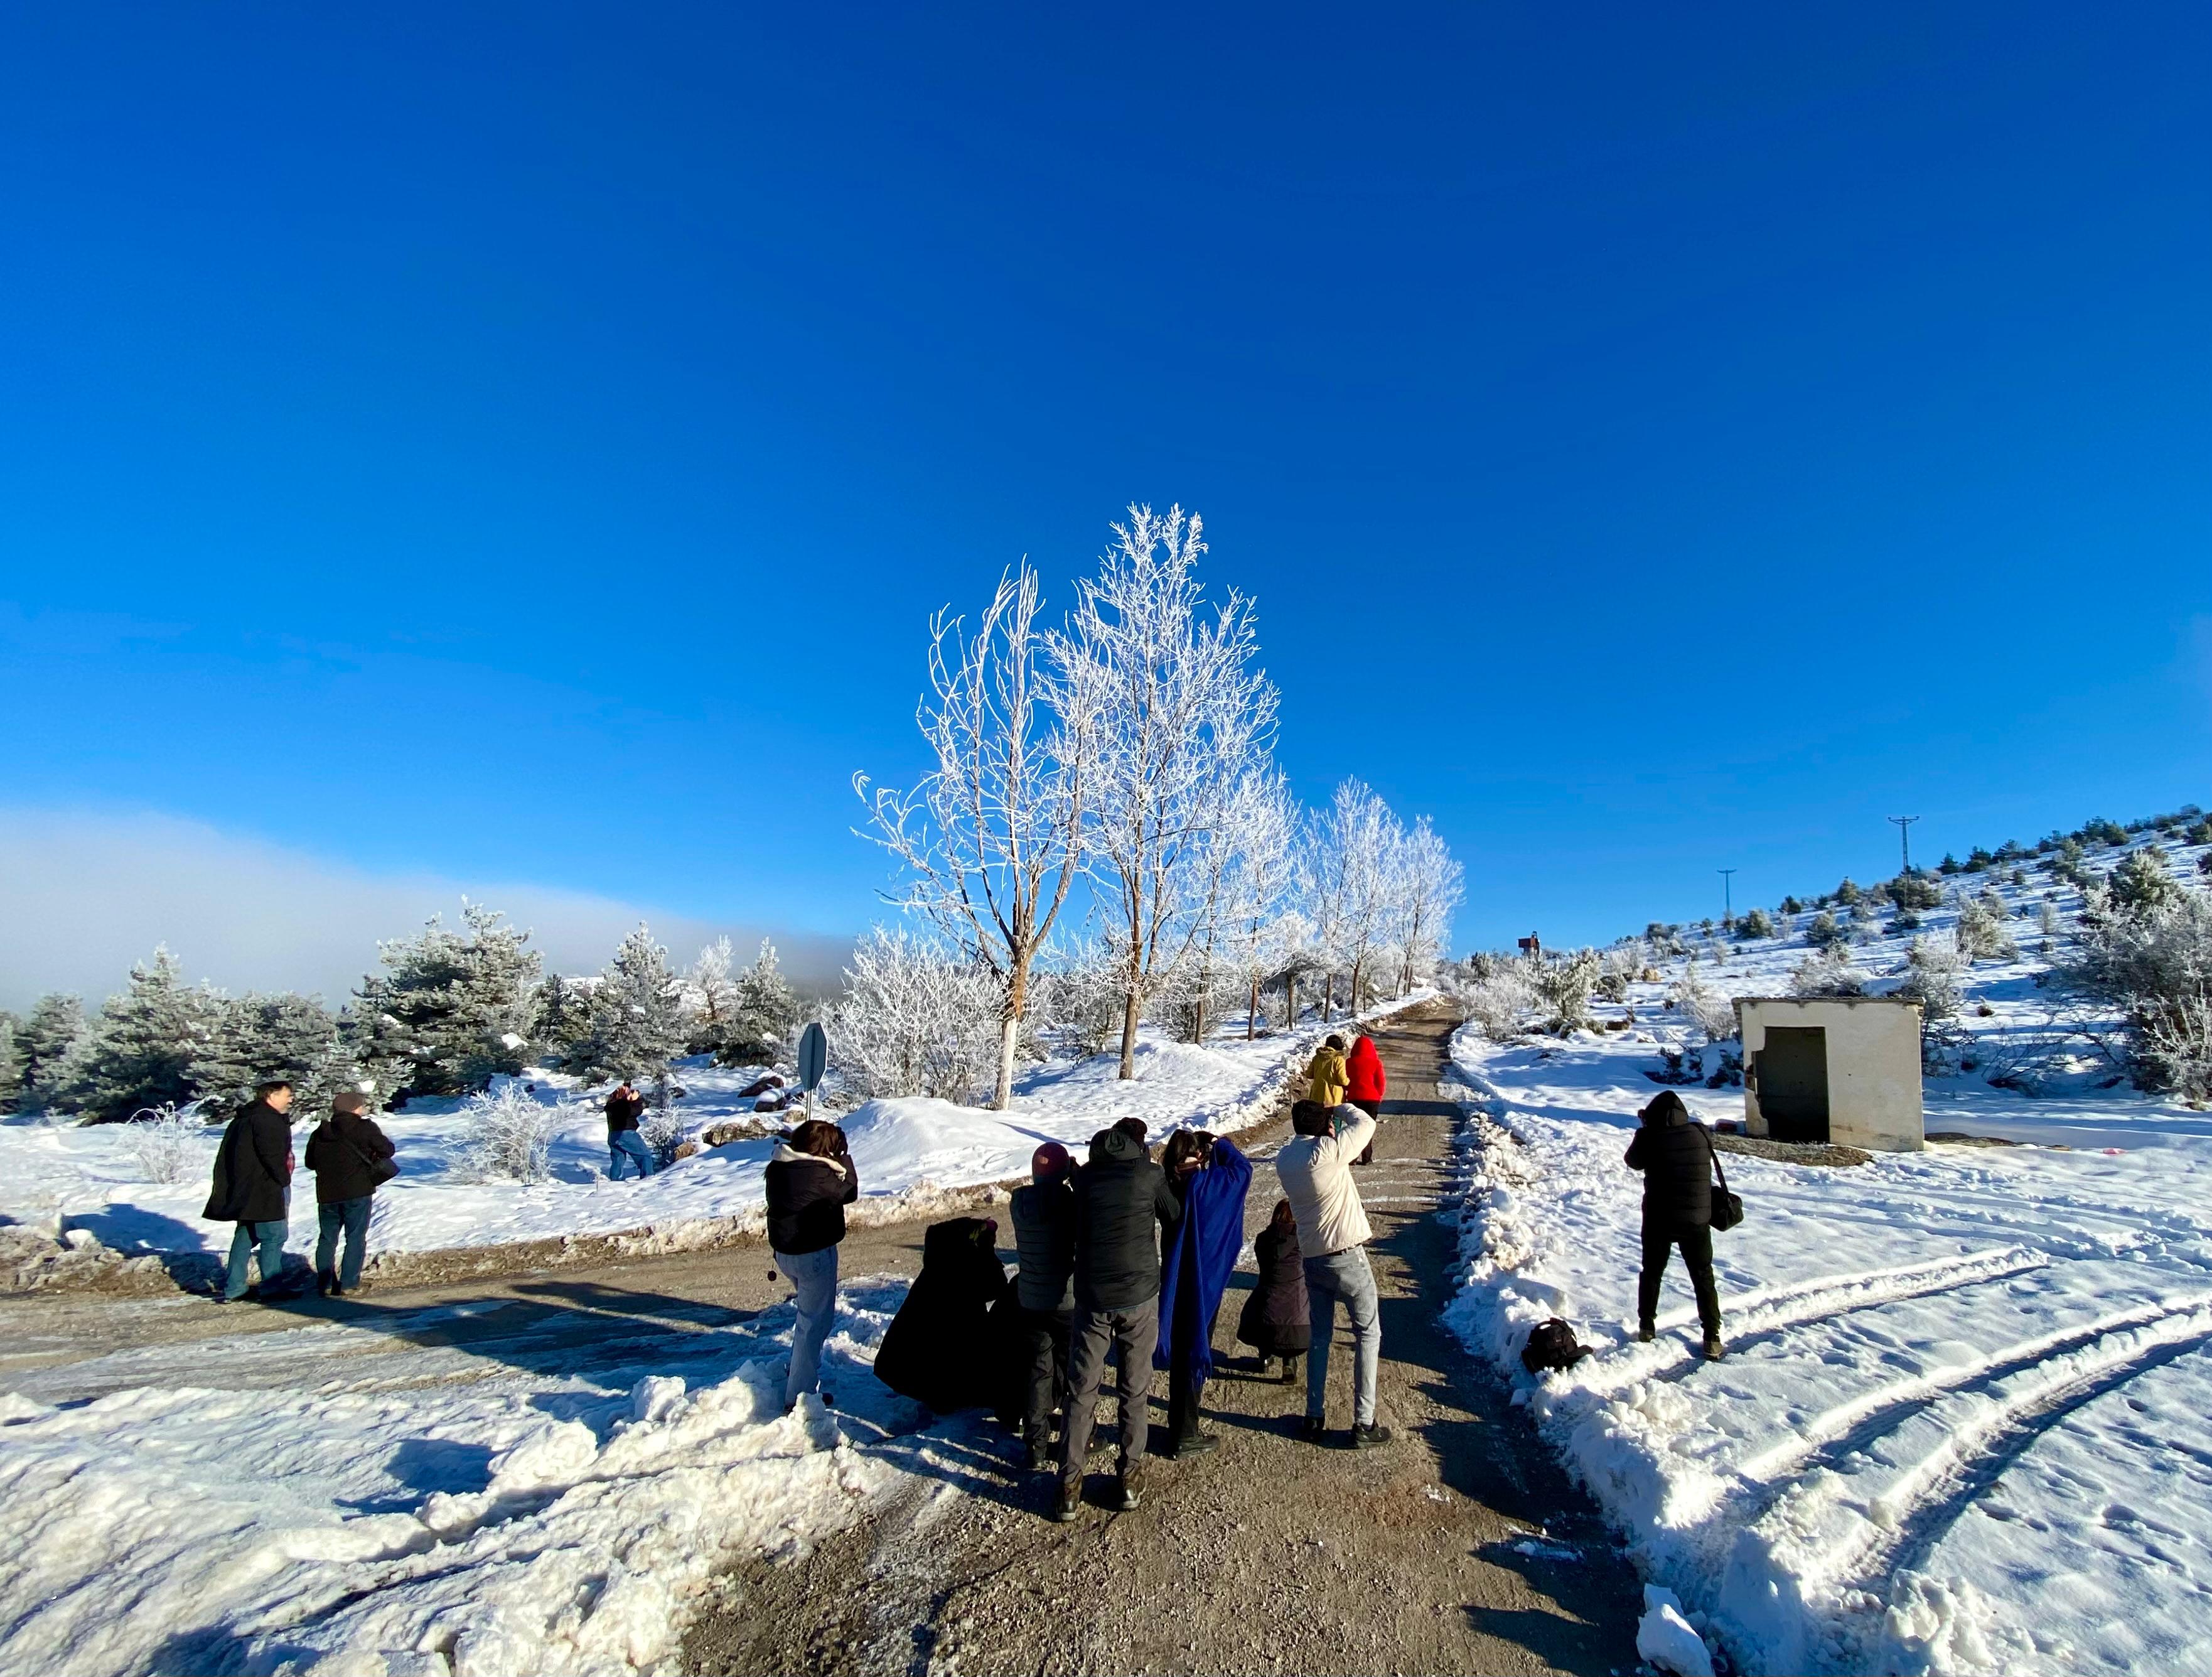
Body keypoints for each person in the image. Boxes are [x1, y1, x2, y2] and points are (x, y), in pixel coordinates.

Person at [1055, 1121, 1181, 1521]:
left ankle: (1069, 1486)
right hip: (1139, 1294)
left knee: (1082, 1388)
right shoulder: (1150, 1176)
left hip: (1092, 1296)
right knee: (1134, 1387)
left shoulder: (1086, 1180)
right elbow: (1174, 1215)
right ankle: (1128, 1477)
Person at [1276, 1098, 1390, 1447]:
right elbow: (1366, 1124)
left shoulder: (1285, 1160)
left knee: (1320, 1337)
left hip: (1312, 1257)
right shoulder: (1328, 1152)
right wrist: (1339, 1108)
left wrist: (1324, 1122)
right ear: (1322, 1127)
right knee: (1368, 1334)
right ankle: (1364, 1421)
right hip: (1346, 1254)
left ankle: (1314, 1415)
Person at [1153, 1128, 1253, 1458]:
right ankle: (1186, 1432)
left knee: (1183, 1347)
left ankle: (1179, 1424)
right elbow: (1243, 1170)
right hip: (1205, 1284)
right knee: (1194, 1350)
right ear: (1198, 1156)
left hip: (1175, 1277)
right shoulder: (1208, 1187)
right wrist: (1221, 1144)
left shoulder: (1167, 1186)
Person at [765, 1118, 859, 1408]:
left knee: (807, 1319)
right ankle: (800, 1398)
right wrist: (844, 1155)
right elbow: (850, 1191)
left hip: (786, 1253)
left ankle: (798, 1374)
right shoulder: (816, 1174)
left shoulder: (780, 1166)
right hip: (813, 1255)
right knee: (814, 1324)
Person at [1625, 1091, 1724, 1359]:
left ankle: (1647, 1326)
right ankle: (1712, 1335)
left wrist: (1644, 1130)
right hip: (1697, 1221)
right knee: (1703, 1277)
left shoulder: (1650, 1137)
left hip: (1660, 1219)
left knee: (1652, 1273)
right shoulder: (1701, 1133)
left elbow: (1632, 1161)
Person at [1008, 1141, 1077, 1472]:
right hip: (1065, 1301)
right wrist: (1076, 1178)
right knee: (1074, 1368)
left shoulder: (1018, 1202)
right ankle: (1075, 1435)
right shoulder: (1069, 1203)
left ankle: (1035, 1445)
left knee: (1038, 1370)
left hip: (1030, 1300)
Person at [203, 1079, 297, 1303]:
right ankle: (272, 1288)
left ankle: (234, 1287)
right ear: (271, 1096)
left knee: (245, 1236)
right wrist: (283, 1179)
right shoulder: (268, 1120)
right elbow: (273, 1156)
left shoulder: (244, 1118)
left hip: (245, 1189)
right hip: (265, 1189)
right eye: (288, 1094)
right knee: (274, 1237)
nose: (291, 1099)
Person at [303, 1091, 396, 1297]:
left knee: (327, 1239)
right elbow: (387, 1150)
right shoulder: (364, 1127)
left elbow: (310, 1163)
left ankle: (326, 1282)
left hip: (327, 1193)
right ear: (356, 1109)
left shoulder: (320, 1132)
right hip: (357, 1190)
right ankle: (349, 1282)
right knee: (355, 1237)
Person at [1237, 1197, 1311, 1383]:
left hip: (1265, 1326)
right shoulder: (1303, 1239)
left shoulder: (1263, 1240)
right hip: (1300, 1332)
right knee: (1301, 1297)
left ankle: (1265, 1355)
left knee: (1262, 1298)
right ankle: (1289, 1361)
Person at [1345, 1034, 1387, 1167]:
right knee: (1367, 1129)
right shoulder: (1376, 1063)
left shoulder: (1349, 1063)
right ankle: (1367, 1158)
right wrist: (1378, 1096)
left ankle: (1352, 1158)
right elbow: (1381, 1084)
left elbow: (1346, 1082)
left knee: (1354, 1128)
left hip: (1354, 1098)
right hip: (1372, 1100)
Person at [604, 1081, 654, 1180]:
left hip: (613, 1136)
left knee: (618, 1159)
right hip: (626, 1134)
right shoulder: (622, 1104)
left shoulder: (611, 1105)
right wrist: (635, 1100)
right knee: (644, 1155)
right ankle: (648, 1177)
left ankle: (615, 1181)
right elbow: (635, 1111)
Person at [1304, 1034, 1350, 1108]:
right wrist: (1349, 1081)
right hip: (1334, 1099)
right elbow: (1343, 1081)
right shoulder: (1338, 1060)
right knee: (1334, 1118)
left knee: (1319, 1118)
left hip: (1316, 1097)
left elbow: (1309, 1075)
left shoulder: (1317, 1058)